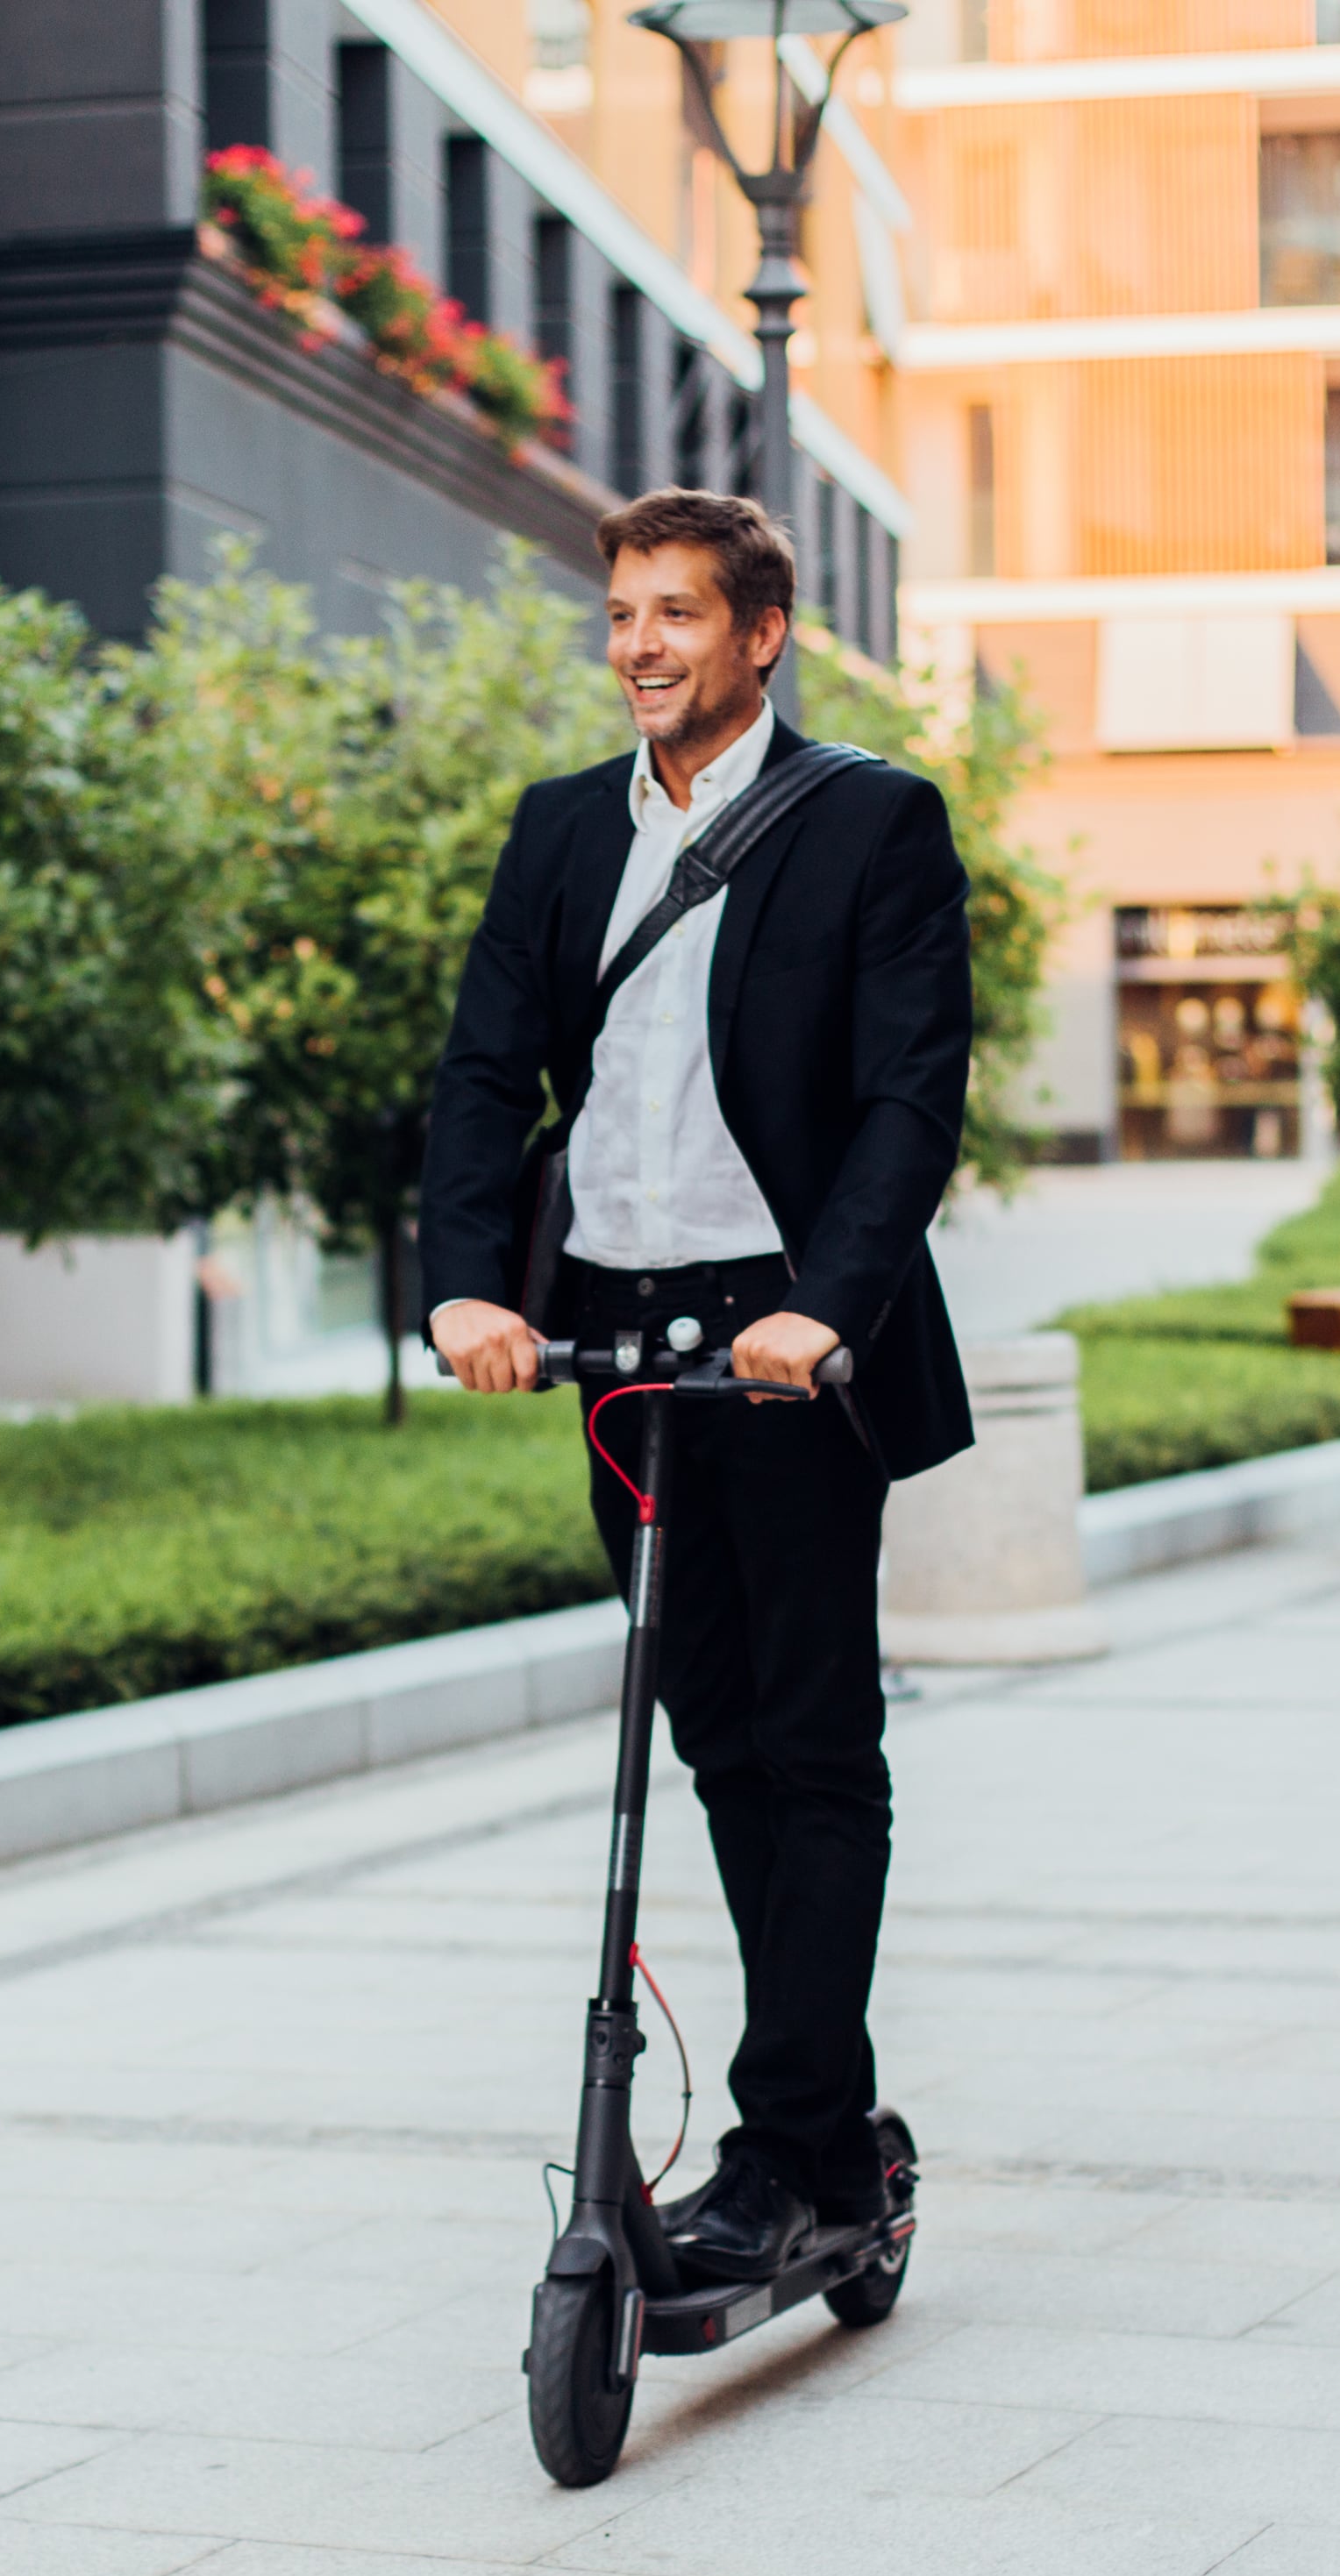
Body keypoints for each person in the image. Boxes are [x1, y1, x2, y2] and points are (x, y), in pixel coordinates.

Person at [423, 488, 973, 2286]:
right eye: (622, 612)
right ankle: (833, 2134)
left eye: (677, 611)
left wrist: (825, 1307)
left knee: (808, 1745)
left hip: (780, 1352)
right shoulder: (563, 830)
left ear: (759, 635)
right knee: (717, 1738)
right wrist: (462, 1285)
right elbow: (485, 1069)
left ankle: (790, 2147)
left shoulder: (871, 821)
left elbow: (908, 1095)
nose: (641, 641)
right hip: (616, 1341)